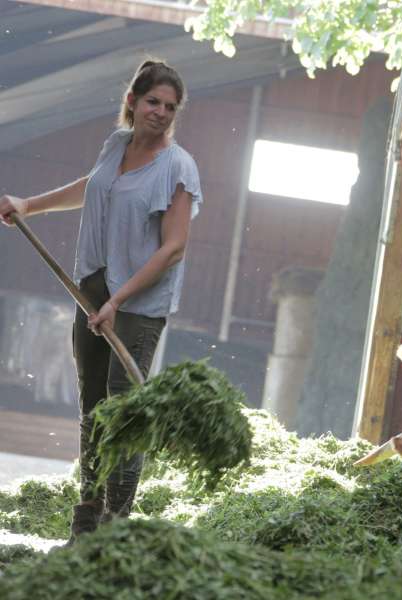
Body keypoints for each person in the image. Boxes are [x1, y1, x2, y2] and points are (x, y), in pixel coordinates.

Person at [0, 59, 203, 542]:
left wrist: (119, 300)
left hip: (137, 304)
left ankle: (115, 529)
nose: (160, 113)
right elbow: (90, 187)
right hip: (92, 288)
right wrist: (29, 205)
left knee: (123, 411)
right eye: (152, 101)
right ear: (132, 100)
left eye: (170, 107)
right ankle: (85, 524)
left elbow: (174, 248)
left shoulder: (178, 167)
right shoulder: (115, 145)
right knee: (93, 405)